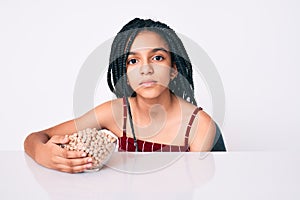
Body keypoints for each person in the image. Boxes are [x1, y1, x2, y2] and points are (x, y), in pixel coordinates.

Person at [24, 18, 226, 173]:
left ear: (174, 69)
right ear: (126, 75)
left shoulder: (199, 125)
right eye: (133, 61)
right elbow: (36, 137)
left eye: (157, 57)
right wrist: (42, 153)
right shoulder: (115, 113)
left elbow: (198, 190)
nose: (145, 69)